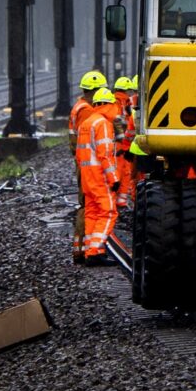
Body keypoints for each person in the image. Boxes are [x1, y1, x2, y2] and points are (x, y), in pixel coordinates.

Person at [71, 86, 120, 262]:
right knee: (108, 212)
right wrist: (114, 178)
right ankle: (95, 251)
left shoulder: (87, 123)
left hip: (87, 177)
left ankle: (89, 250)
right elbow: (105, 154)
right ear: (108, 105)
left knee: (91, 212)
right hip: (100, 176)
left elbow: (78, 154)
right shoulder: (103, 124)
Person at [111, 75, 141, 212]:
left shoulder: (113, 103)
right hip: (134, 145)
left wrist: (124, 145)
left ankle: (118, 200)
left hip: (121, 143)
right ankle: (125, 200)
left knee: (122, 172)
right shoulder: (129, 103)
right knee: (129, 173)